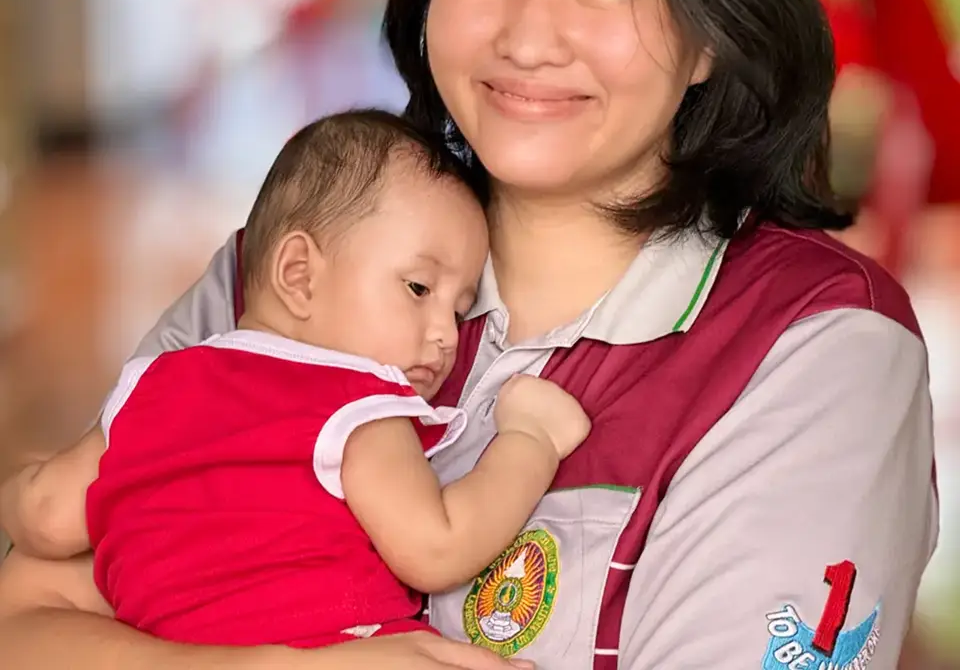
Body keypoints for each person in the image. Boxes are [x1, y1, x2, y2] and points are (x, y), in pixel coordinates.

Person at [0, 0, 937, 670]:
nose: (527, 38)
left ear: (711, 35)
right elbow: (24, 620)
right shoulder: (287, 276)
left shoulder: (815, 348)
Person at [0, 110, 589, 649]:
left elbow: (47, 515)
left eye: (458, 311)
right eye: (418, 288)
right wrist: (530, 441)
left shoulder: (149, 387)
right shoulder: (358, 407)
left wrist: (19, 485)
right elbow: (437, 547)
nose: (445, 335)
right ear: (299, 274)